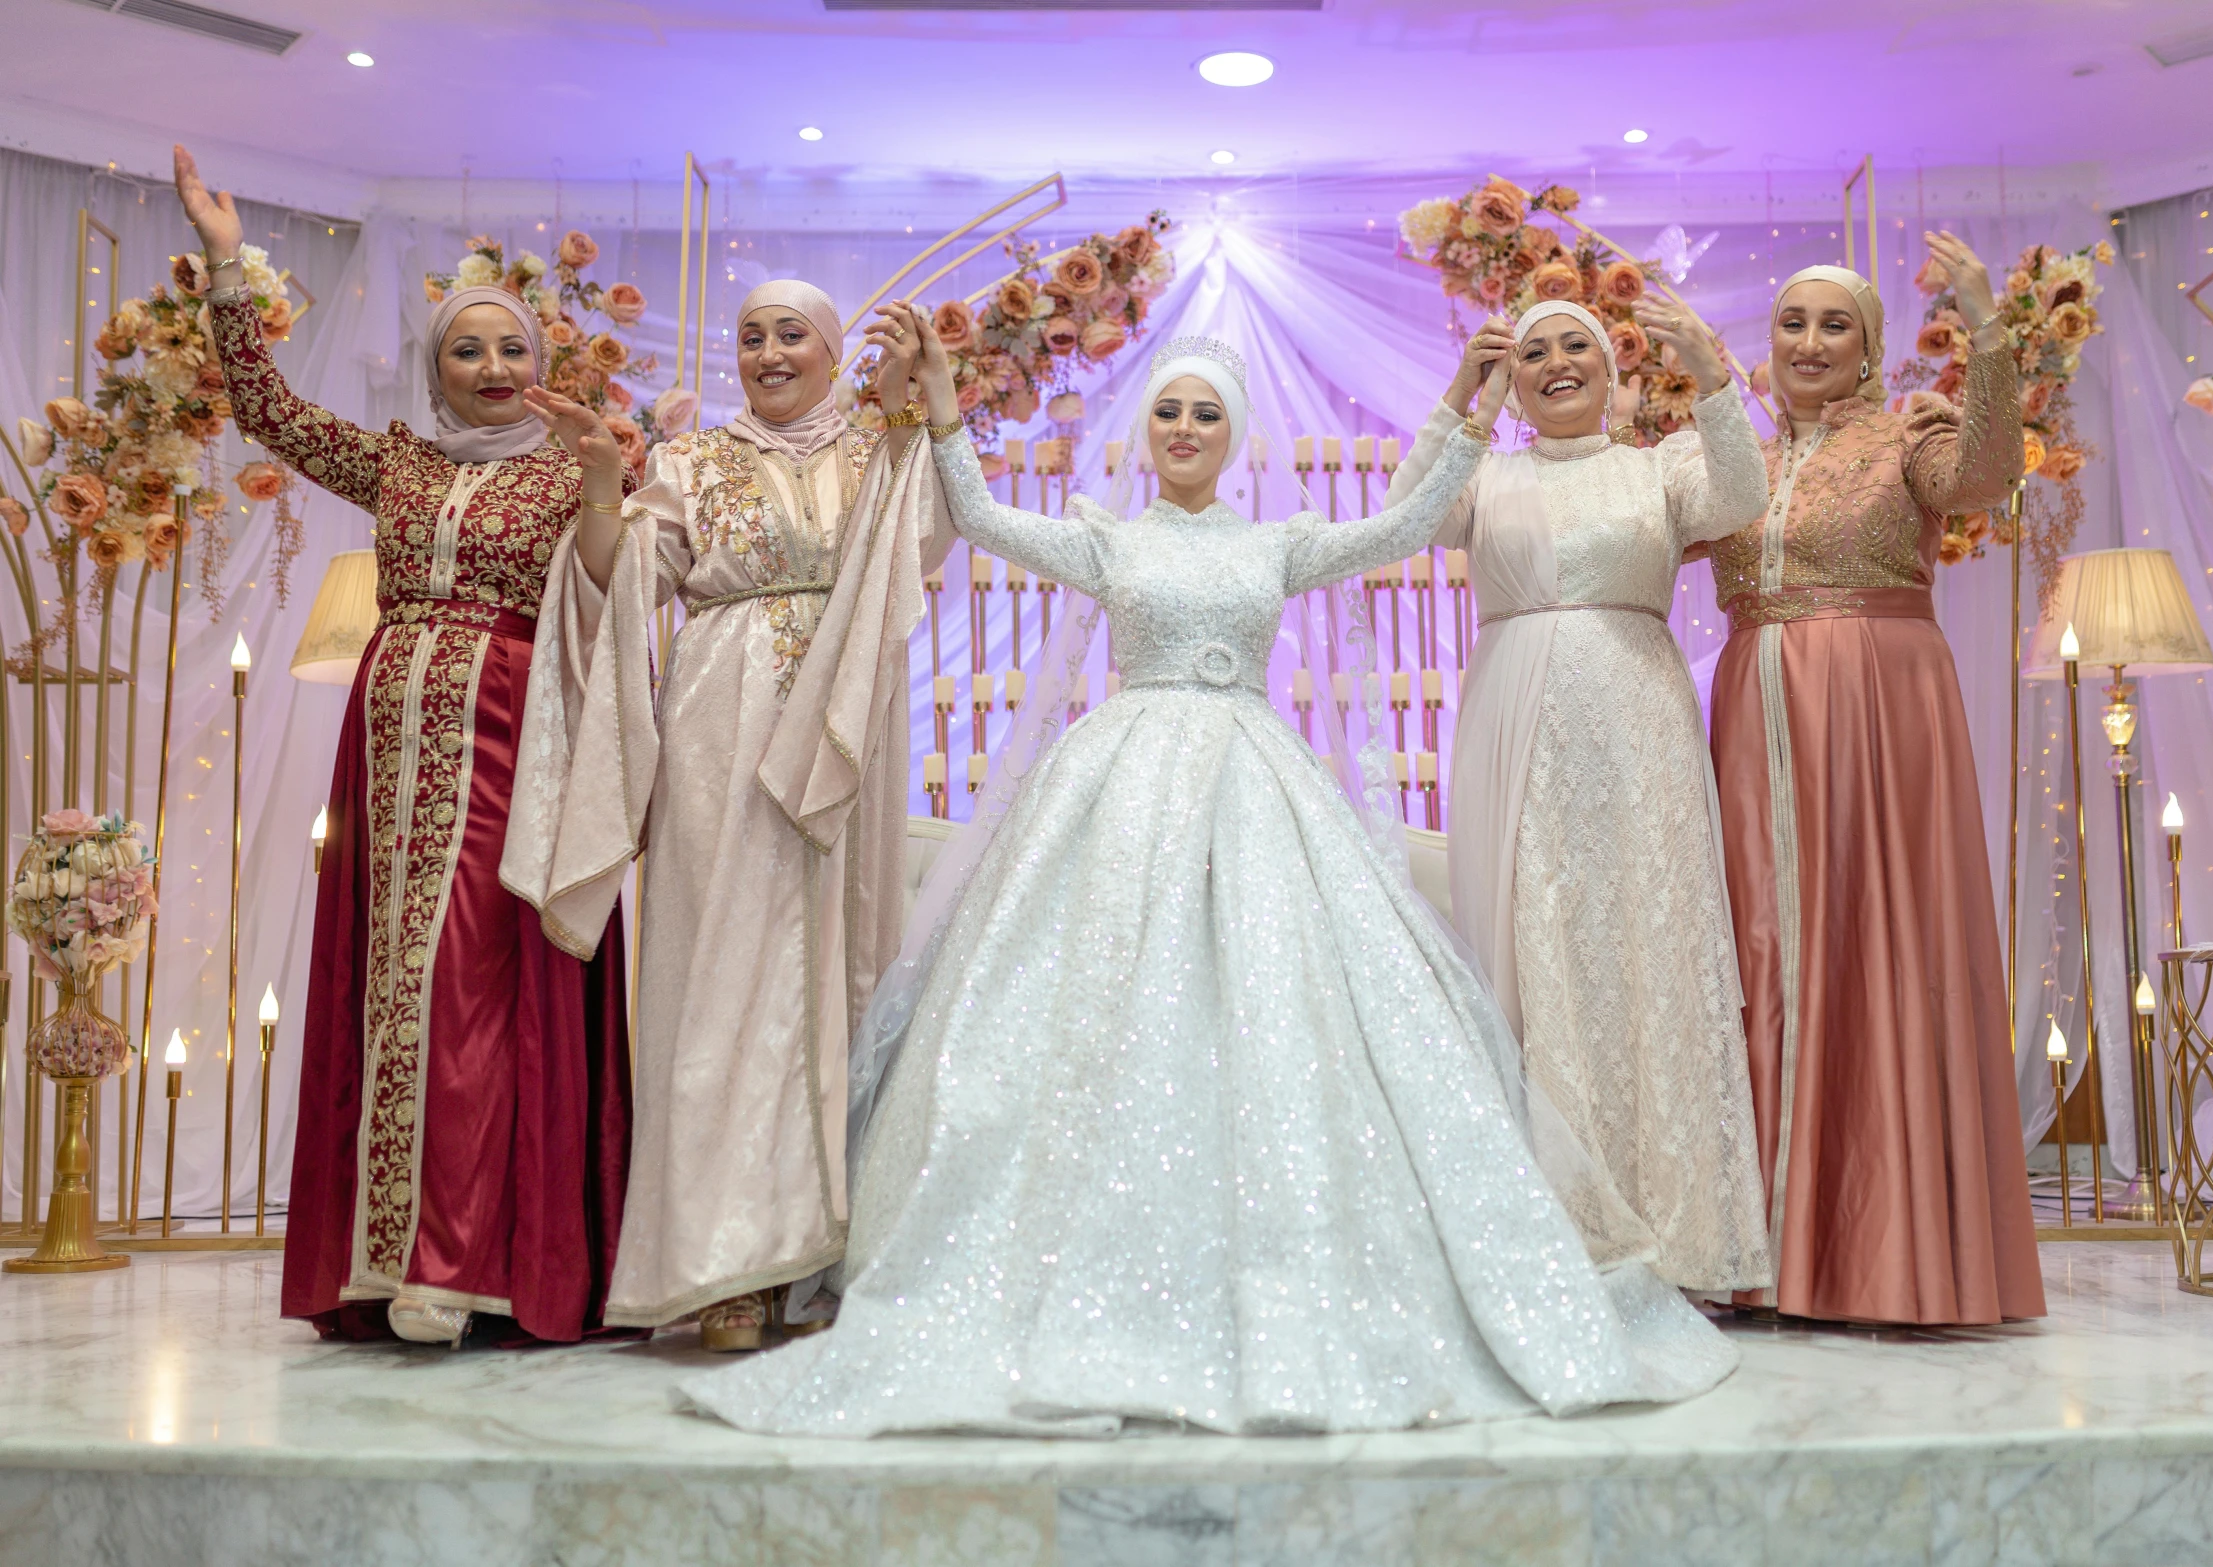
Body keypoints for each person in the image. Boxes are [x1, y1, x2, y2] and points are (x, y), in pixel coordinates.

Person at [680, 319, 1737, 1439]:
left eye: (1207, 414)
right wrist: (943, 408)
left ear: (1232, 437)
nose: (1185, 428)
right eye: (1170, 411)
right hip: (1118, 785)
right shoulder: (1106, 538)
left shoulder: (1272, 543)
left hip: (1253, 779)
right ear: (1148, 431)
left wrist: (1468, 409)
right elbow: (983, 518)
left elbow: (1406, 523)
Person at [174, 146, 631, 1346]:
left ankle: (461, 1258)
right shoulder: (403, 463)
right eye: (466, 351)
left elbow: (609, 588)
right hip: (388, 744)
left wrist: (597, 487)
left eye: (511, 349)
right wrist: (229, 267)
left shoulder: (576, 465)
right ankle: (381, 1259)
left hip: (508, 737)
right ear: (438, 369)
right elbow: (266, 412)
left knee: (473, 975)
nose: (491, 368)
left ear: (544, 364)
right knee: (391, 976)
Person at [503, 287, 956, 1351]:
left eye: (791, 333)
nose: (767, 352)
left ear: (836, 351)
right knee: (714, 974)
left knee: (841, 970)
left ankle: (825, 1259)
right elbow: (623, 582)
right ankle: (721, 1270)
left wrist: (908, 415)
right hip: (716, 730)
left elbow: (925, 544)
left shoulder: (879, 452)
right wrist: (607, 484)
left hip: (844, 723)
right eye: (750, 337)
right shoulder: (694, 463)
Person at [1386, 297, 1774, 1294]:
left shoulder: (1656, 468)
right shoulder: (1489, 474)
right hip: (1513, 726)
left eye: (1575, 348)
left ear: (1609, 370)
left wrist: (1713, 376)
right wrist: (1453, 400)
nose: (1555, 363)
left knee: (1649, 949)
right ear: (1510, 380)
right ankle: (1553, 1231)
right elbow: (1404, 518)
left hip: (1638, 728)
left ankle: (1677, 1235)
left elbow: (1738, 496)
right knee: (1531, 947)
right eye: (1530, 353)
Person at [1704, 238, 2046, 1325]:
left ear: (1869, 347)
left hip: (1877, 708)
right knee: (1760, 946)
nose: (1808, 343)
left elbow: (1987, 479)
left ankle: (1884, 1254)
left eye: (1832, 325)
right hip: (1753, 708)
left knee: (1874, 944)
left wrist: (1985, 330)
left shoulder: (1911, 430)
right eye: (1791, 324)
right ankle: (1753, 1249)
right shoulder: (1731, 457)